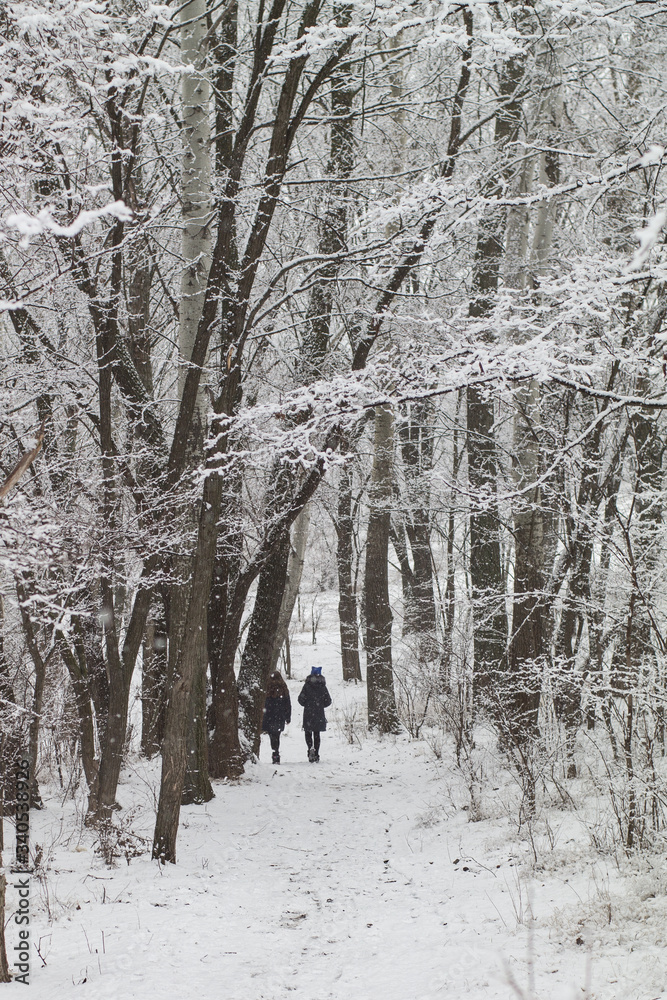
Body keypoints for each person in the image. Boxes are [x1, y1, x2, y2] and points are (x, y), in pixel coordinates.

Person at [297, 666, 332, 762]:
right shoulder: (323, 687)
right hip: (319, 713)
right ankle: (316, 753)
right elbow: (328, 701)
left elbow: (300, 699)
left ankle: (310, 748)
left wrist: (307, 704)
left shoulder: (307, 686)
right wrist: (320, 705)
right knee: (317, 734)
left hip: (308, 712)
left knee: (308, 732)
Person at [262, 671, 291, 764]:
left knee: (271, 734)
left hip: (269, 715)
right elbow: (288, 704)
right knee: (277, 734)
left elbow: (263, 703)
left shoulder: (267, 688)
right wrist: (288, 716)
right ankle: (276, 752)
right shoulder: (283, 688)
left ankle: (274, 751)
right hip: (280, 715)